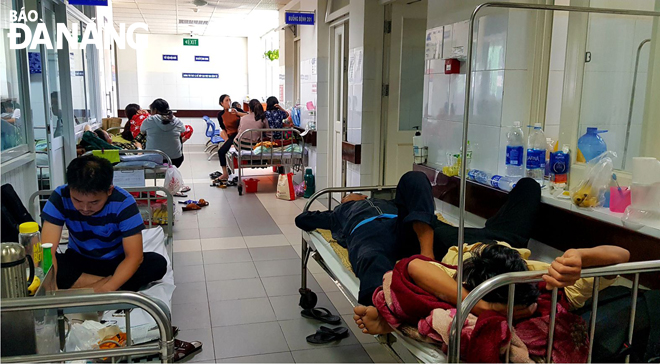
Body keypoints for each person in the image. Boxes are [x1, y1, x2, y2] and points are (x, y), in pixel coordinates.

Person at [295, 171, 541, 304]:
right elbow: (302, 220)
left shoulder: (387, 201)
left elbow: (415, 199)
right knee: (371, 258)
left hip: (416, 231)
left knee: (413, 178)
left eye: (354, 193)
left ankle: (428, 256)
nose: (352, 194)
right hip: (367, 232)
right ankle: (392, 300)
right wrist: (336, 211)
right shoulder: (338, 212)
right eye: (348, 195)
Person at [353, 243, 630, 335]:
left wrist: (581, 255)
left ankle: (385, 314)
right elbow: (413, 266)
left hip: (498, 248)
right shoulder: (458, 278)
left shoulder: (552, 283)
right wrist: (477, 302)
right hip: (468, 251)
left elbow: (622, 256)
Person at [41, 155, 167, 292]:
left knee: (156, 263)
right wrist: (51, 285)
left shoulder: (124, 202)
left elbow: (134, 257)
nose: (85, 208)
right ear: (70, 188)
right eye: (77, 200)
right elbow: (48, 250)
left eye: (94, 202)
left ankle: (88, 285)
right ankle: (116, 284)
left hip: (115, 261)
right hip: (79, 259)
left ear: (109, 190)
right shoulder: (60, 197)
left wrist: (106, 289)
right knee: (42, 260)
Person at [140, 98, 186, 168]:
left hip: (152, 160)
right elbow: (183, 130)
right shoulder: (176, 120)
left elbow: (142, 130)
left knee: (145, 136)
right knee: (177, 135)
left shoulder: (149, 120)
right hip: (175, 160)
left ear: (155, 110)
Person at [215, 94, 247, 181]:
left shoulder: (236, 111)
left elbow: (248, 116)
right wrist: (226, 140)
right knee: (221, 151)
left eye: (230, 99)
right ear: (221, 103)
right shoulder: (220, 115)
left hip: (239, 134)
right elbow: (223, 128)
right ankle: (225, 173)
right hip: (230, 136)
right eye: (226, 100)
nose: (229, 102)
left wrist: (237, 113)